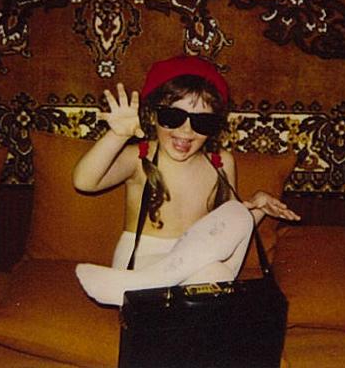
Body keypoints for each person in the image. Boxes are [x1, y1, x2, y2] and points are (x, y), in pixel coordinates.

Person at [73, 55, 300, 306]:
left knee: (234, 219)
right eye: (173, 117)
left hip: (196, 264)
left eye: (202, 122)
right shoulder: (140, 157)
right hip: (143, 260)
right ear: (153, 116)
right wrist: (117, 136)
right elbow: (84, 182)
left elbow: (223, 232)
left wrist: (258, 208)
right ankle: (147, 283)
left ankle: (143, 286)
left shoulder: (221, 162)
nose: (186, 131)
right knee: (215, 274)